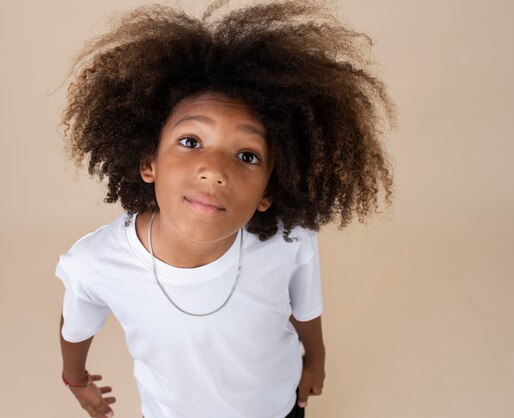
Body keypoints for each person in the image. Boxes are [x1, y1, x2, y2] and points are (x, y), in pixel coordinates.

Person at [55, 1, 395, 417]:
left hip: (278, 407)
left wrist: (317, 360)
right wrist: (76, 379)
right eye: (191, 141)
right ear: (149, 162)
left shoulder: (289, 240)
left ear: (269, 191)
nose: (214, 171)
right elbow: (76, 327)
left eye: (247, 156)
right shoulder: (96, 262)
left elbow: (306, 309)